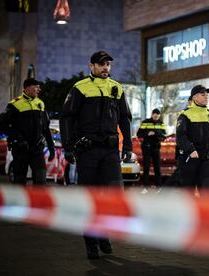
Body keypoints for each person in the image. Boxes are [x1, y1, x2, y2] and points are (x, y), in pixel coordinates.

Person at [60, 50, 133, 259]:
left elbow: (125, 120)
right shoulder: (80, 88)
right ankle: (91, 242)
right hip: (88, 151)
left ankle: (104, 235)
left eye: (108, 64)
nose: (105, 68)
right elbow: (67, 118)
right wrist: (68, 146)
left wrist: (127, 147)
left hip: (110, 151)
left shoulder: (116, 88)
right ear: (91, 66)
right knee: (89, 198)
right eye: (101, 64)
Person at [1, 78, 55, 185]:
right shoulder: (14, 104)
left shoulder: (40, 104)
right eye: (36, 87)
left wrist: (51, 148)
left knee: (41, 181)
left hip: (37, 149)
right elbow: (3, 125)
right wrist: (18, 139)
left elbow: (45, 128)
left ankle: (38, 202)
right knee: (19, 181)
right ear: (27, 88)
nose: (39, 89)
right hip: (21, 149)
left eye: (39, 87)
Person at [176, 85, 209, 194]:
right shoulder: (185, 114)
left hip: (207, 158)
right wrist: (191, 150)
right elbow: (180, 136)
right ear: (194, 97)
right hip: (190, 158)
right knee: (187, 195)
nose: (206, 97)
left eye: (207, 95)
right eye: (203, 94)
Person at [137, 108, 166, 193]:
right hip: (146, 147)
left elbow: (164, 135)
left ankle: (159, 186)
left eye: (157, 115)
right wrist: (147, 134)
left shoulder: (161, 123)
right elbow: (139, 134)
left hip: (156, 147)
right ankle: (145, 187)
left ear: (159, 116)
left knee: (157, 167)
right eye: (155, 115)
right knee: (146, 167)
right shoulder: (145, 122)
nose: (156, 116)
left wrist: (155, 133)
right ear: (152, 114)